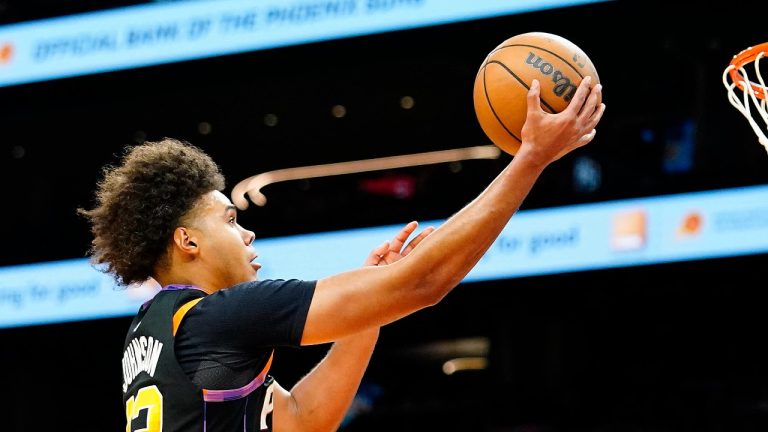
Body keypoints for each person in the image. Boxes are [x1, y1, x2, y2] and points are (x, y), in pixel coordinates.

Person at [80, 77, 604, 432]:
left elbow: (306, 419)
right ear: (186, 241)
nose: (248, 236)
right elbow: (424, 284)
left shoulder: (153, 332)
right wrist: (531, 159)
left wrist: (367, 309)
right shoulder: (223, 317)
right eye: (230, 220)